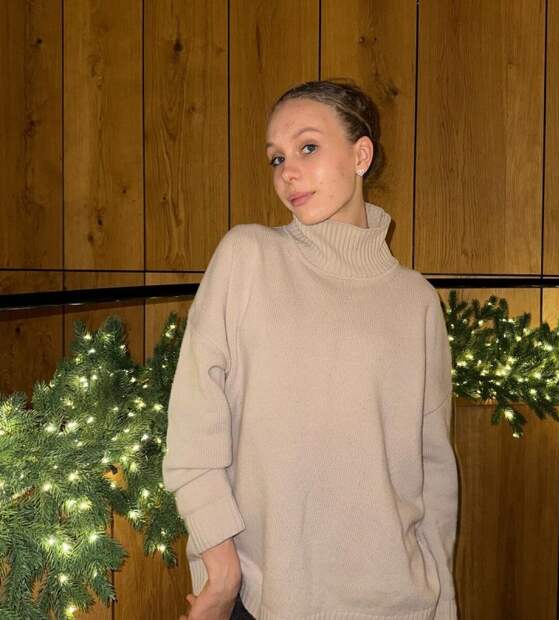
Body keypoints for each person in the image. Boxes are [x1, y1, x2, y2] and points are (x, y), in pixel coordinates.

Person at [163, 78, 459, 620]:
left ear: (361, 155)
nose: (288, 172)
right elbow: (193, 428)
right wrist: (220, 568)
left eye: (307, 147)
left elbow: (433, 473)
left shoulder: (415, 299)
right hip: (266, 599)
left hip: (397, 604)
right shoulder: (248, 257)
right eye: (277, 158)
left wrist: (442, 607)